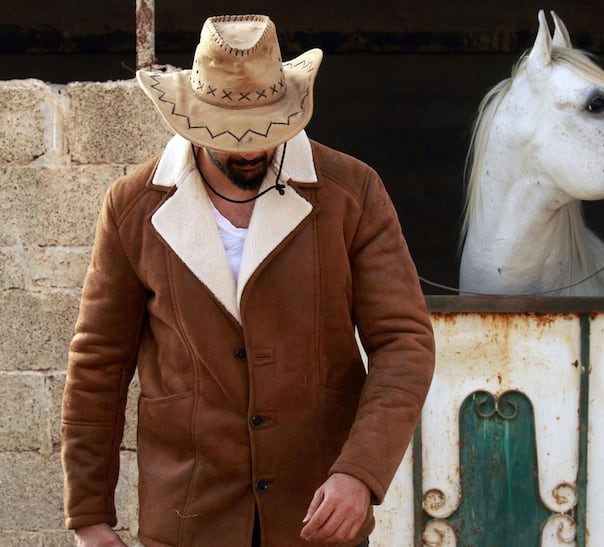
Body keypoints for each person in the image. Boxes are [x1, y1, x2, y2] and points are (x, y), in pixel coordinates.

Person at [61, 14, 435, 547]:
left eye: (266, 128)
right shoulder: (135, 206)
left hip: (316, 515)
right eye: (228, 135)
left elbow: (405, 342)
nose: (251, 149)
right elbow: (98, 361)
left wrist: (360, 473)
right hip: (189, 515)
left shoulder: (350, 192)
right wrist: (90, 517)